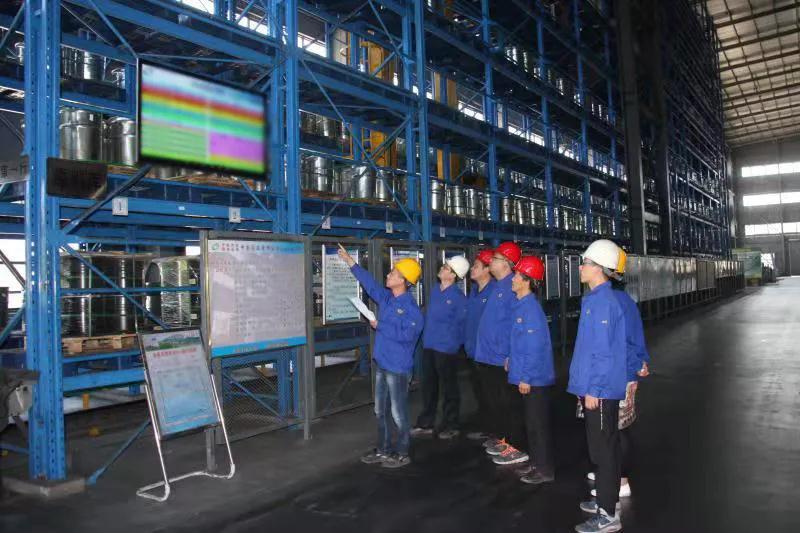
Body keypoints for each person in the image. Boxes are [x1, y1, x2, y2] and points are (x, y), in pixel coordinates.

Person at [339, 248, 423, 469]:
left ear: (403, 281)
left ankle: (402, 452)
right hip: (383, 363)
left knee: (398, 413)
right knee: (381, 411)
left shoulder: (411, 310)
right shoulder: (387, 299)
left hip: (398, 368)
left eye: (393, 273)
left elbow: (408, 336)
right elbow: (370, 284)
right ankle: (384, 449)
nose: (388, 274)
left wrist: (381, 325)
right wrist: (350, 262)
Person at [569, 239, 628, 533]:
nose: (581, 267)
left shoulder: (603, 303)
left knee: (602, 451)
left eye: (586, 263)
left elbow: (603, 352)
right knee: (605, 448)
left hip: (600, 391)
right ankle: (608, 500)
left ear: (600, 269)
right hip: (595, 387)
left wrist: (594, 388)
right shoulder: (595, 299)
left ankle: (608, 516)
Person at [494, 255, 556, 484]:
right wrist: (511, 358)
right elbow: (520, 342)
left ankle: (545, 470)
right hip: (526, 373)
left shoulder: (530, 309)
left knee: (537, 426)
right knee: (531, 424)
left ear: (527, 281)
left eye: (517, 276)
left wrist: (526, 377)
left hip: (535, 378)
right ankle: (536, 463)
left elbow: (534, 347)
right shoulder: (521, 305)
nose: (513, 279)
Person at [475, 242, 529, 464]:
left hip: (501, 358)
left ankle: (516, 447)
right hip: (489, 356)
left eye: (495, 259)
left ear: (506, 264)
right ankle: (504, 439)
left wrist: (510, 354)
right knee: (497, 403)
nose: (491, 261)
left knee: (509, 404)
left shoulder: (511, 288)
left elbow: (517, 325)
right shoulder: (498, 286)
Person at [412, 255, 469, 439]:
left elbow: (463, 325)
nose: (442, 268)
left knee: (449, 388)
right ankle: (426, 422)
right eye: (444, 266)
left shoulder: (458, 298)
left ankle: (451, 424)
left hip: (446, 349)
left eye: (446, 268)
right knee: (429, 386)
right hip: (429, 345)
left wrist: (454, 345)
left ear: (453, 276)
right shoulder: (435, 290)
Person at [463, 249, 496, 441]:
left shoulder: (494, 292)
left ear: (487, 270)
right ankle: (487, 428)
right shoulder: (474, 291)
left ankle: (495, 432)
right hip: (472, 351)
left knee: (491, 394)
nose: (472, 269)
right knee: (480, 393)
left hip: (487, 354)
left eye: (476, 266)